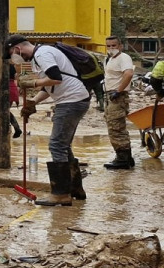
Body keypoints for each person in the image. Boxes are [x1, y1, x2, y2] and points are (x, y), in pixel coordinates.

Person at [8, 34, 89, 207]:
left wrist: (32, 83)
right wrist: (33, 102)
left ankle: (60, 194)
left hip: (71, 101)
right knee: (64, 146)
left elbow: (56, 78)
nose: (14, 57)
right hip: (73, 99)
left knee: (56, 145)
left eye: (12, 53)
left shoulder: (42, 54)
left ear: (18, 48)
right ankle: (75, 188)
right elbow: (49, 86)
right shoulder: (39, 56)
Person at [102, 36, 135, 170]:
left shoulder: (124, 58)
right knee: (113, 125)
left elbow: (128, 74)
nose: (111, 48)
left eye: (114, 46)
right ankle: (126, 158)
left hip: (117, 95)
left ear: (120, 46)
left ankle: (122, 159)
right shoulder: (109, 59)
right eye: (108, 46)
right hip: (110, 94)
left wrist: (118, 91)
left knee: (116, 127)